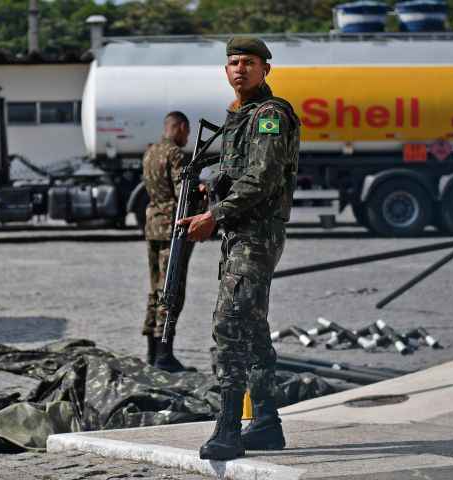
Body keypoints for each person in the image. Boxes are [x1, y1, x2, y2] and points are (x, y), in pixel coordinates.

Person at [177, 37, 301, 460]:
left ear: (266, 68)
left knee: (230, 325)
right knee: (253, 329)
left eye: (249, 62)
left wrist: (215, 215)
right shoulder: (239, 117)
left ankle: (228, 429)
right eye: (233, 63)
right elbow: (238, 173)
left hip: (256, 236)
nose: (239, 69)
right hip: (240, 235)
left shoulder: (269, 114)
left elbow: (263, 177)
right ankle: (266, 423)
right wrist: (209, 184)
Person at [142, 111, 196, 372]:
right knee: (171, 289)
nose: (187, 137)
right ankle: (165, 355)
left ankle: (152, 353)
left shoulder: (150, 151)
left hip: (152, 226)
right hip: (170, 231)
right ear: (181, 127)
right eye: (187, 132)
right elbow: (181, 193)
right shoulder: (174, 154)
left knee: (155, 289)